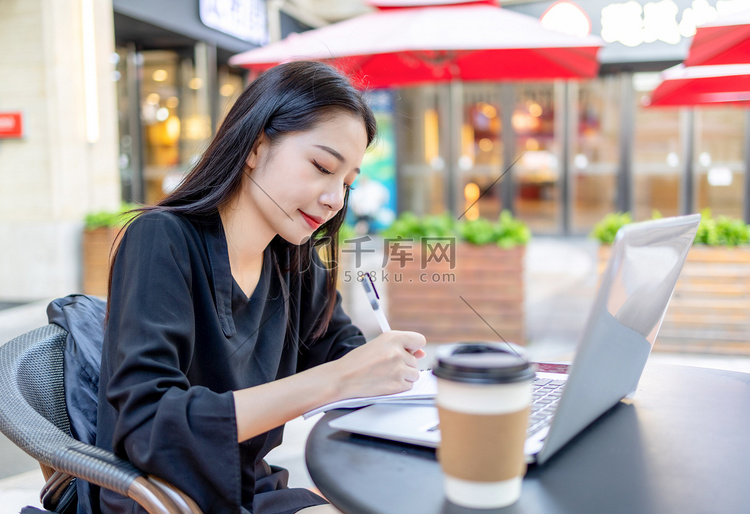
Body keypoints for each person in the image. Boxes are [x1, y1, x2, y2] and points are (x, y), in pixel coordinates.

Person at [95, 61, 426, 513]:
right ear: (254, 145)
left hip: (252, 491)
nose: (334, 200)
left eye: (347, 183)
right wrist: (336, 380)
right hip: (165, 499)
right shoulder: (160, 238)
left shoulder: (293, 258)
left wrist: (393, 370)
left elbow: (340, 351)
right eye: (321, 166)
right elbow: (149, 424)